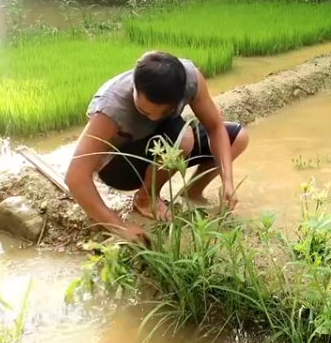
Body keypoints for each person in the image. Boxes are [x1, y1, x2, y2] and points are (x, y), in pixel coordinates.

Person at [64, 51, 249, 242]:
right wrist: (119, 227)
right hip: (120, 167)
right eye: (143, 111)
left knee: (238, 137)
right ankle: (145, 198)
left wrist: (227, 180)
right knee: (182, 139)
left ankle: (191, 193)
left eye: (165, 112)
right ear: (134, 89)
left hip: (164, 141)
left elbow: (216, 128)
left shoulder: (190, 79)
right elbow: (76, 178)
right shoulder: (112, 108)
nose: (152, 118)